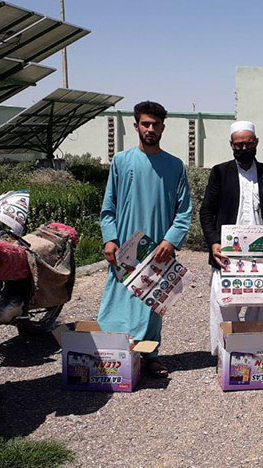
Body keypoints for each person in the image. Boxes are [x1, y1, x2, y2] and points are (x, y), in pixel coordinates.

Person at [99, 101, 193, 378]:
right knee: (117, 299)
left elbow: (184, 210)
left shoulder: (175, 166)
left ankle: (150, 355)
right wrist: (110, 239)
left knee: (153, 303)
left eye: (156, 125)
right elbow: (109, 206)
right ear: (136, 125)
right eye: (145, 124)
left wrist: (171, 241)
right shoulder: (121, 161)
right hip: (125, 247)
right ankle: (115, 352)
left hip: (159, 248)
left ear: (163, 127)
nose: (150, 129)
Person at [199, 120, 263, 355]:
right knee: (224, 304)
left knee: (260, 304)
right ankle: (225, 355)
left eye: (248, 143)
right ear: (231, 145)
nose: (243, 149)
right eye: (238, 145)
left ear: (256, 143)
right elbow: (206, 211)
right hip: (227, 254)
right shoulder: (220, 173)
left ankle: (256, 351)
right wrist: (213, 243)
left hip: (261, 255)